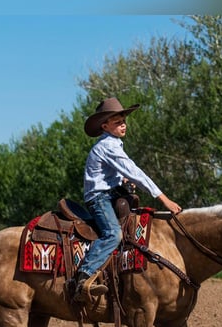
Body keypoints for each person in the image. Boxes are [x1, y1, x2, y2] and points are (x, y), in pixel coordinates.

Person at [73, 97, 182, 304]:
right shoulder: (107, 146)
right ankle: (83, 277)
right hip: (99, 198)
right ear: (105, 126)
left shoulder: (114, 144)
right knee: (113, 234)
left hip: (112, 193)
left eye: (123, 120)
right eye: (117, 122)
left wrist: (121, 180)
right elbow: (135, 172)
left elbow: (120, 173)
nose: (123, 124)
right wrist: (164, 199)